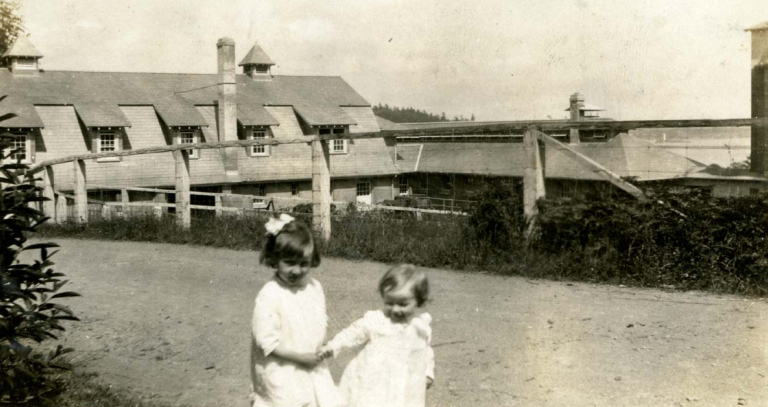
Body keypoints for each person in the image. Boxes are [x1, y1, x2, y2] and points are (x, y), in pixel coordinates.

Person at [250, 214, 343, 407]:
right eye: (289, 263)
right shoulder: (270, 294)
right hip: (282, 368)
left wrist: (318, 349)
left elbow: (318, 320)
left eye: (303, 264)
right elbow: (266, 342)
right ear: (275, 259)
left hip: (310, 363)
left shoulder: (313, 287)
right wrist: (301, 358)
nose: (297, 270)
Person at [319, 264, 435, 407]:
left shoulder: (420, 326)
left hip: (404, 384)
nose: (395, 309)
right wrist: (333, 346)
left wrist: (428, 372)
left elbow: (425, 351)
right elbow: (353, 333)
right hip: (373, 384)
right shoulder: (377, 321)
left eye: (403, 304)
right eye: (389, 303)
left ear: (419, 302)